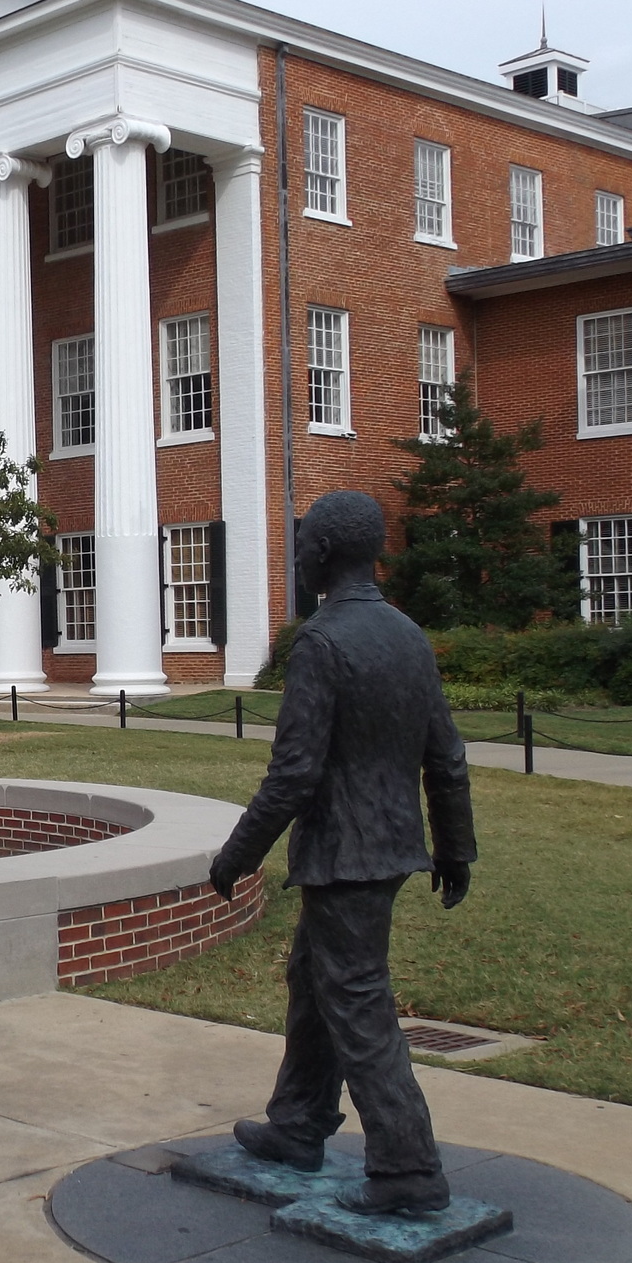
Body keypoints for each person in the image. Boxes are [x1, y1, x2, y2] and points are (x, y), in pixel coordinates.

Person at [206, 489, 477, 1214]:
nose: (297, 555)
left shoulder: (322, 643)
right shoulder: (408, 635)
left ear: (322, 554)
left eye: (301, 544)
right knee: (312, 980)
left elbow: (294, 773)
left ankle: (409, 1169)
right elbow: (446, 756)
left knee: (357, 1002)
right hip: (390, 848)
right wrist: (455, 848)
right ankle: (298, 1123)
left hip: (345, 853)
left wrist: (236, 855)